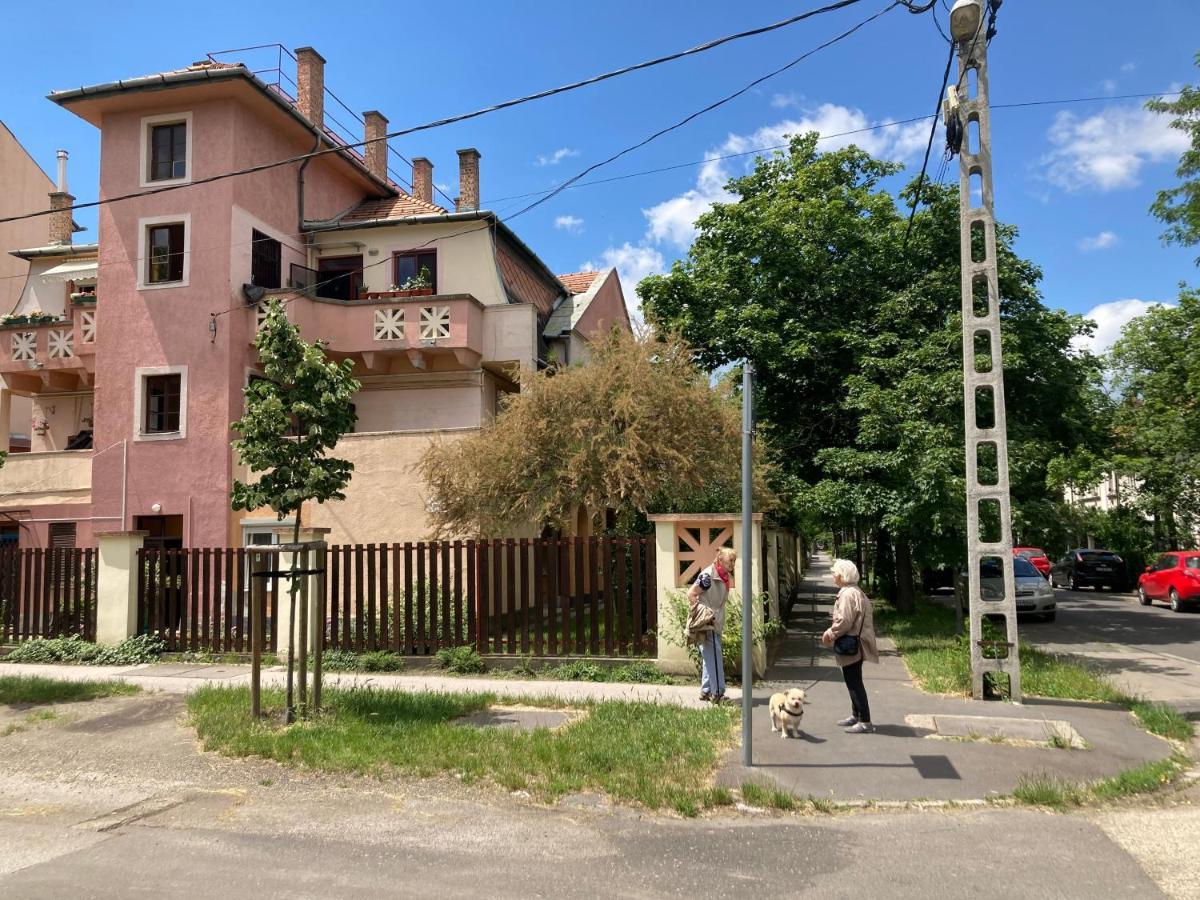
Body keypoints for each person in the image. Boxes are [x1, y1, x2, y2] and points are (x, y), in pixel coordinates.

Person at [820, 558, 879, 733]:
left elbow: (844, 620)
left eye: (834, 572)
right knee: (853, 680)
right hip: (857, 642)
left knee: (854, 682)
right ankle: (856, 715)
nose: (833, 575)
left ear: (842, 575)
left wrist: (830, 633)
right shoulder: (855, 591)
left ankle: (865, 721)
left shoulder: (847, 594)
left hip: (852, 643)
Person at [687, 547, 738, 703]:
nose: (733, 564)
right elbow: (691, 594)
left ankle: (706, 691)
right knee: (715, 656)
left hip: (716, 621)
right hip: (707, 623)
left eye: (734, 561)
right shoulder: (708, 576)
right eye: (730, 560)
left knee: (710, 656)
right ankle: (718, 694)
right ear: (720, 560)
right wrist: (703, 614)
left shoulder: (723, 575)